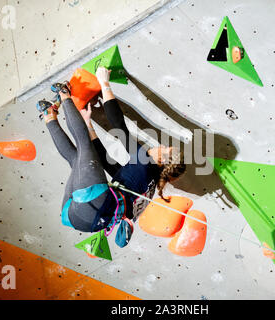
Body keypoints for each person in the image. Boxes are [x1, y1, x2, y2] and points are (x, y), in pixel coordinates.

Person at [38, 67, 186, 246]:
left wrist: (104, 83)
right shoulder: (147, 187)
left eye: (165, 149)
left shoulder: (145, 162)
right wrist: (88, 123)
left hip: (94, 204)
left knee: (83, 145)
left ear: (162, 160)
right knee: (76, 159)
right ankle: (49, 115)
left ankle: (64, 93)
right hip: (77, 219)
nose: (160, 146)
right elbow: (104, 161)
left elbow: (119, 125)